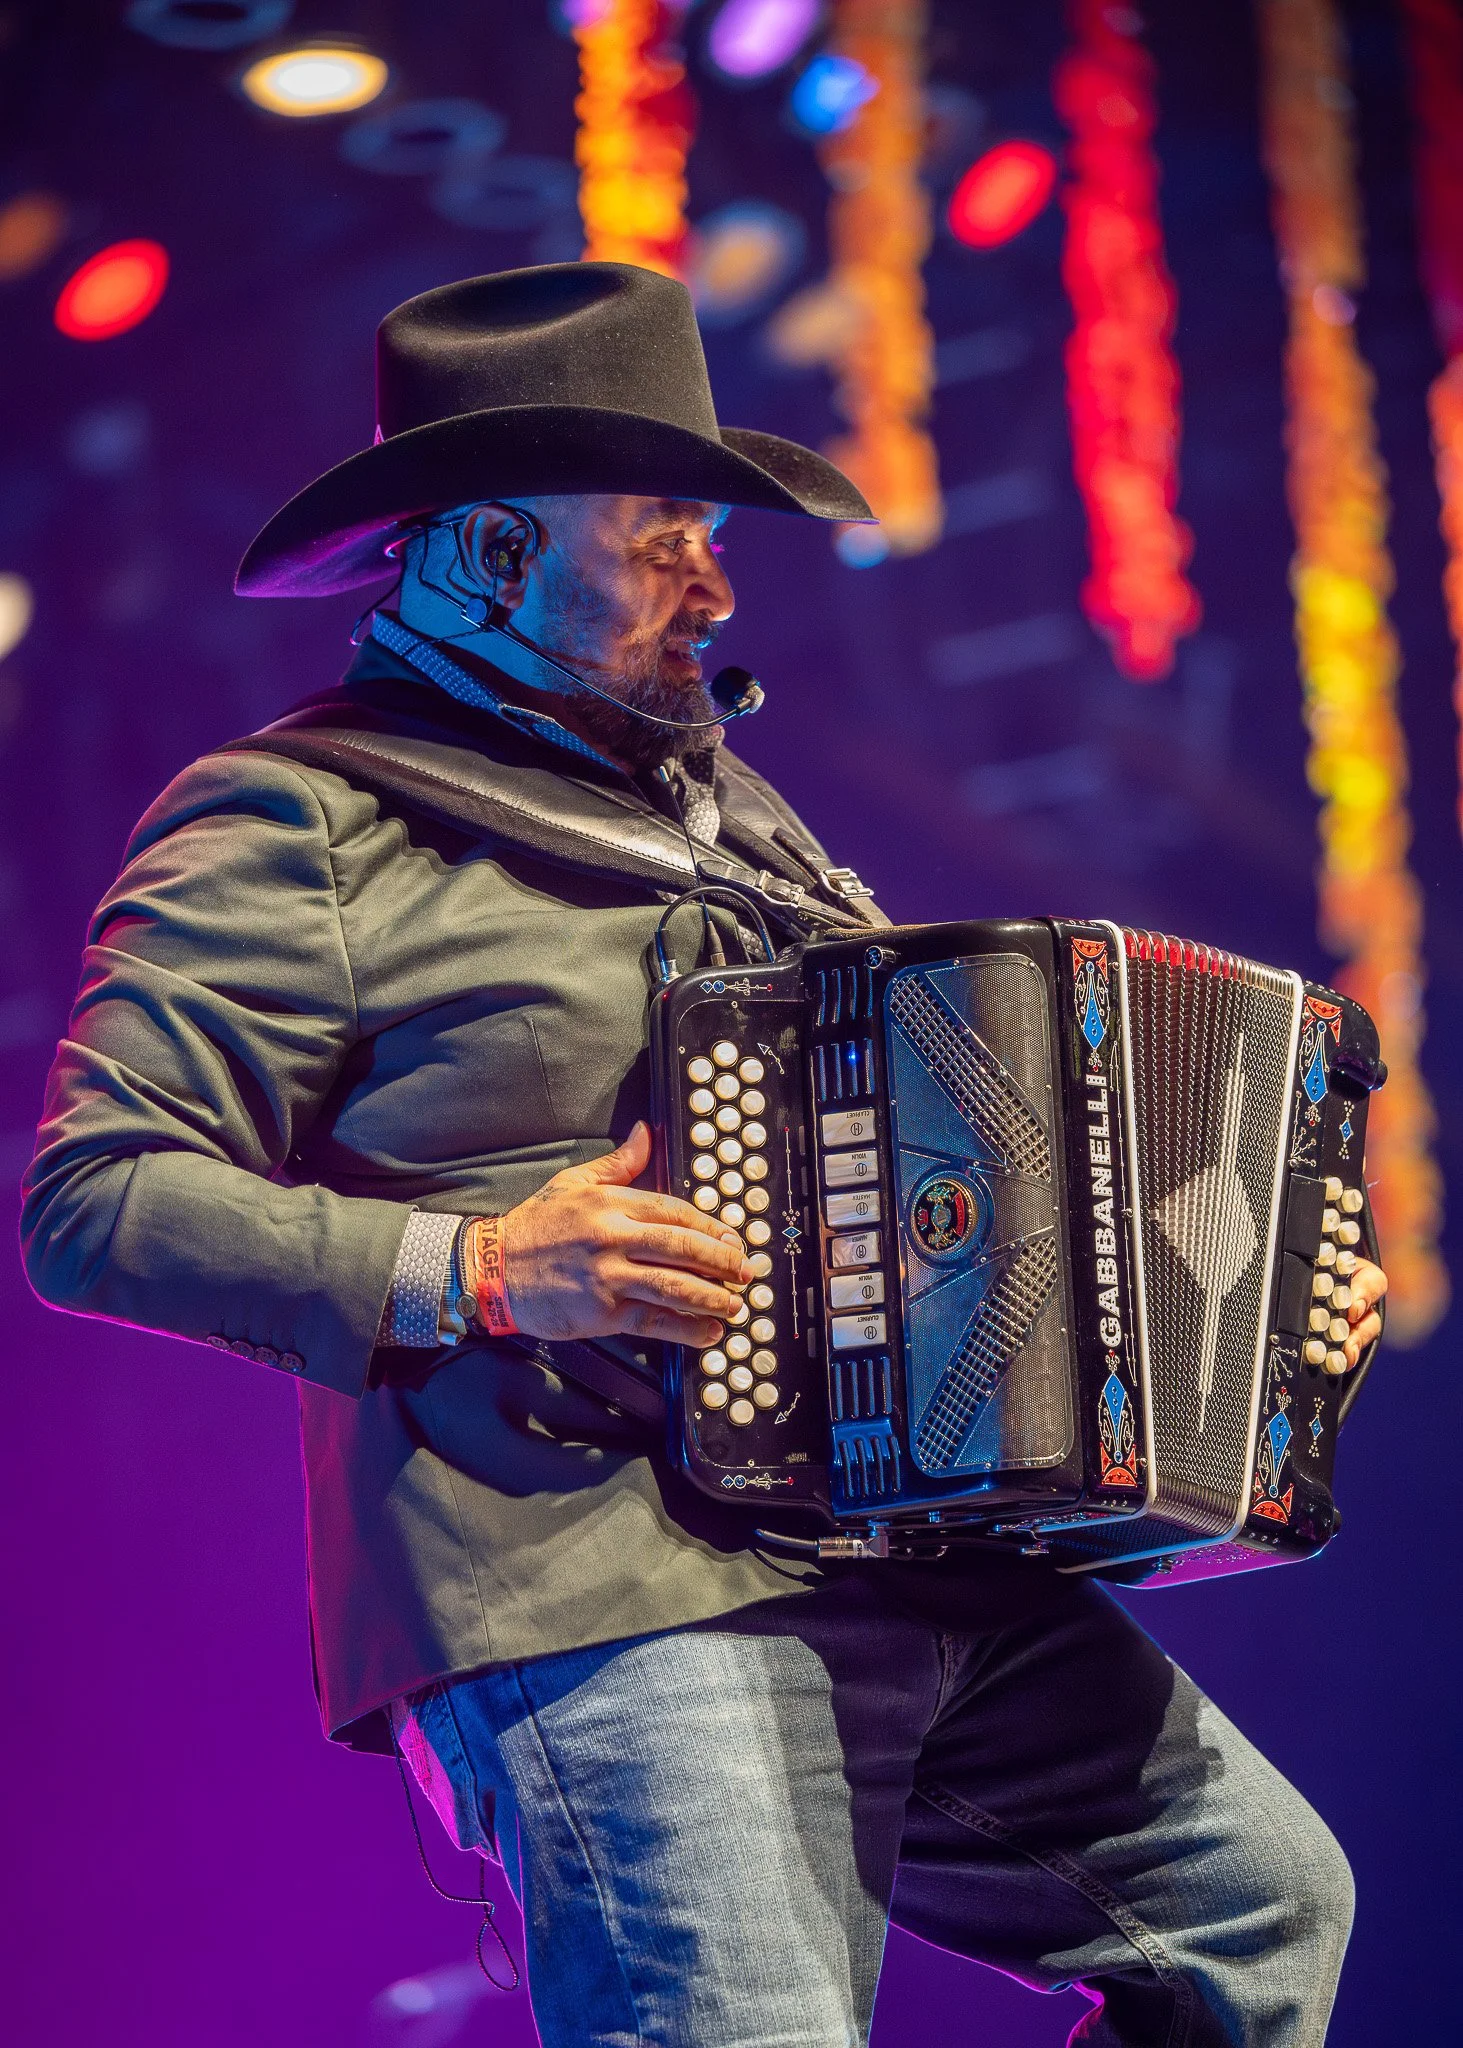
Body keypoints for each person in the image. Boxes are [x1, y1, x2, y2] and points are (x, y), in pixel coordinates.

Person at [21, 262, 1387, 2048]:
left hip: (904, 1556)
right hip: (603, 1578)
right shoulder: (293, 820)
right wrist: (480, 1266)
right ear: (490, 554)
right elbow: (93, 1200)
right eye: (661, 532)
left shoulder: (743, 824)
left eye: (709, 535)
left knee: (1259, 1914)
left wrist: (1252, 1299)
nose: (715, 582)